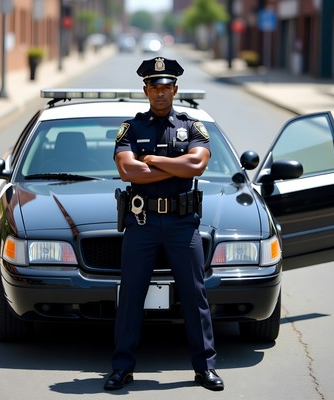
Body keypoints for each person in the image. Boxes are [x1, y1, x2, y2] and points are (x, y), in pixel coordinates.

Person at [104, 57, 224, 392]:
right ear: (146, 90)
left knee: (194, 295)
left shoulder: (192, 125)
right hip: (142, 223)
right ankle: (122, 367)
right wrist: (177, 166)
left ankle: (205, 368)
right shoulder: (132, 128)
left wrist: (154, 160)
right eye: (154, 87)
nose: (160, 93)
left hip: (182, 225)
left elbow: (197, 163)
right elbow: (128, 171)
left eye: (166, 87)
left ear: (175, 89)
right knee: (130, 296)